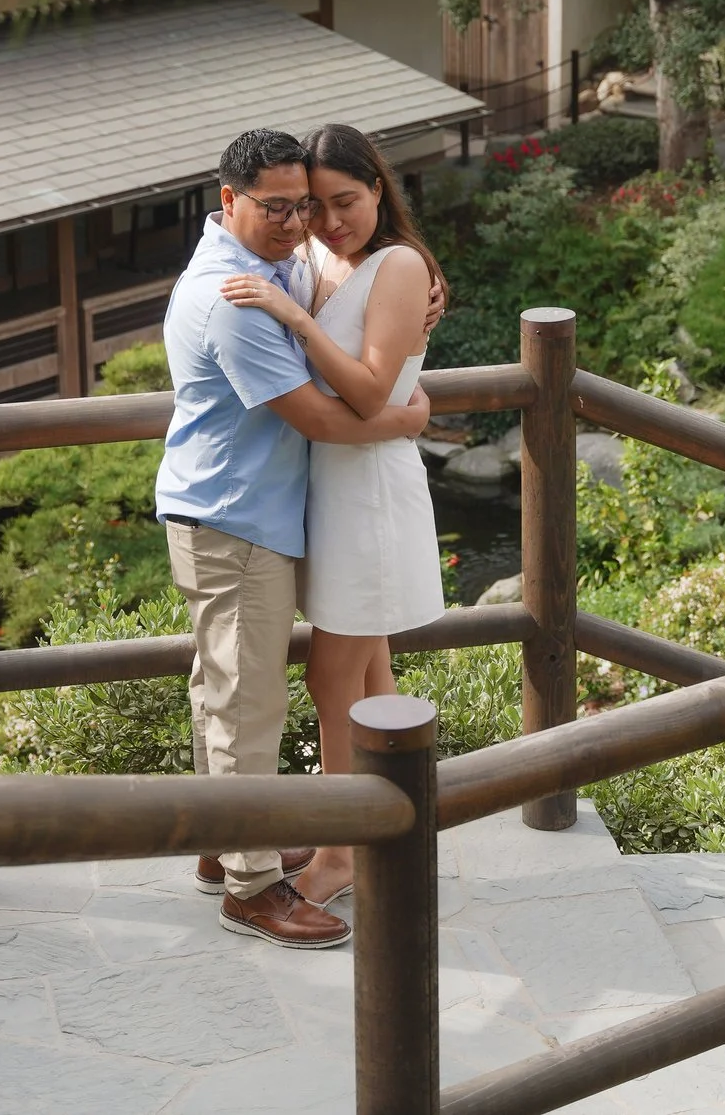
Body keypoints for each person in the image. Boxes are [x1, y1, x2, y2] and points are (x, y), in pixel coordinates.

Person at [156, 128, 434, 950]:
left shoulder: (284, 264)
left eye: (306, 203)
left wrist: (401, 282)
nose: (298, 220)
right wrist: (412, 416)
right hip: (238, 518)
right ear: (228, 202)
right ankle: (251, 884)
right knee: (248, 699)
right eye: (277, 206)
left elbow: (373, 300)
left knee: (230, 687)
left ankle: (227, 842)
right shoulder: (233, 299)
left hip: (254, 512)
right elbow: (321, 415)